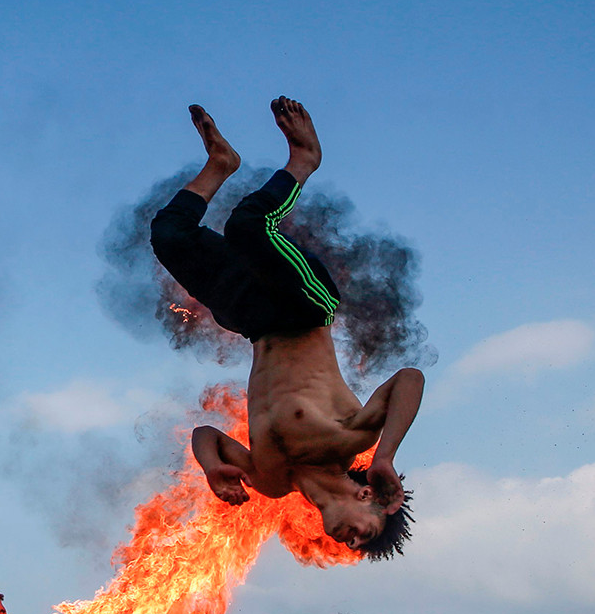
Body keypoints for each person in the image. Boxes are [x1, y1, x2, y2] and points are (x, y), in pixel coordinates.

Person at [151, 97, 426, 560]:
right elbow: (409, 379)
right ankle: (304, 161)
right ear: (368, 498)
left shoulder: (270, 480)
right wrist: (384, 457)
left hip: (253, 321)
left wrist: (212, 467)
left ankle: (220, 165)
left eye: (355, 546)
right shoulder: (350, 437)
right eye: (366, 533)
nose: (351, 542)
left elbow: (206, 434)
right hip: (305, 308)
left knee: (169, 236)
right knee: (248, 225)